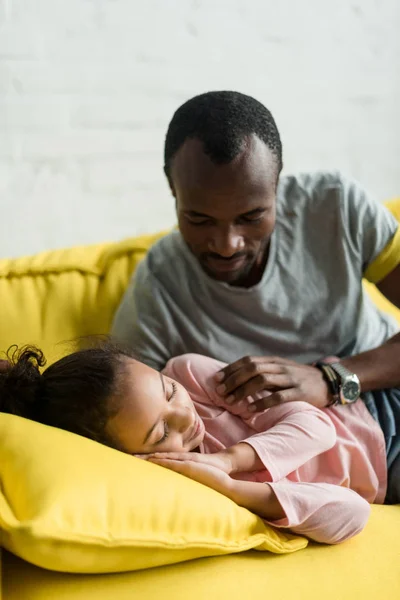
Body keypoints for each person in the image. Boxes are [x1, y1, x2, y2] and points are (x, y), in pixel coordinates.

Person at [111, 90, 400, 504]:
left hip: (384, 397)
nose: (227, 244)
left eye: (251, 216)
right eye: (199, 219)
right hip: (318, 471)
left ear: (278, 185)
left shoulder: (336, 206)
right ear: (173, 192)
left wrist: (332, 380)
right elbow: (120, 419)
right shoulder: (158, 291)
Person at [1, 341, 393, 545]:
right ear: (135, 458)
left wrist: (229, 460)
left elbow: (317, 426)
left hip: (369, 408)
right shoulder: (194, 491)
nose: (186, 418)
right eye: (160, 433)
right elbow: (353, 513)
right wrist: (235, 489)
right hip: (388, 472)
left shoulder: (190, 375)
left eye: (168, 393)